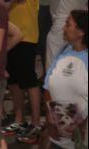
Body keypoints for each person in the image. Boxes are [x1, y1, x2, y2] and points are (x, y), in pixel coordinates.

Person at [1, 0, 44, 142]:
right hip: (10, 32)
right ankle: (19, 118)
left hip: (26, 32)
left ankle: (36, 124)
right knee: (14, 80)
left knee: (28, 80)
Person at [42, 9, 87, 149]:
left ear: (81, 32)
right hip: (59, 131)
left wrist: (83, 125)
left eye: (68, 24)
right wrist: (51, 119)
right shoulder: (63, 52)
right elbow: (47, 87)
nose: (63, 28)